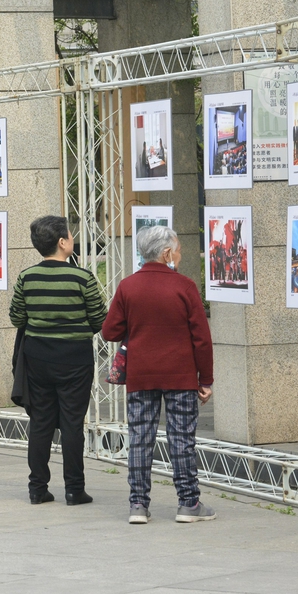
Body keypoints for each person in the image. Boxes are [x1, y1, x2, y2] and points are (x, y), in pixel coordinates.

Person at [101, 225, 216, 525]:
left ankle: (138, 505)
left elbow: (109, 331)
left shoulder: (128, 286)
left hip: (141, 375)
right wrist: (205, 380)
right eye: (178, 250)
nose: (180, 254)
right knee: (182, 440)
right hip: (181, 377)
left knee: (140, 439)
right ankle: (188, 503)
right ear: (166, 253)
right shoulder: (185, 287)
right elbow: (202, 339)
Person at [9, 215, 107, 506]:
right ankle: (75, 490)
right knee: (72, 424)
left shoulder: (27, 277)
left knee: (40, 422)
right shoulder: (82, 278)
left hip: (37, 358)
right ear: (63, 242)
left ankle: (37, 489)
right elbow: (99, 319)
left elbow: (17, 318)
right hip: (75, 359)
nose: (72, 238)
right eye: (70, 235)